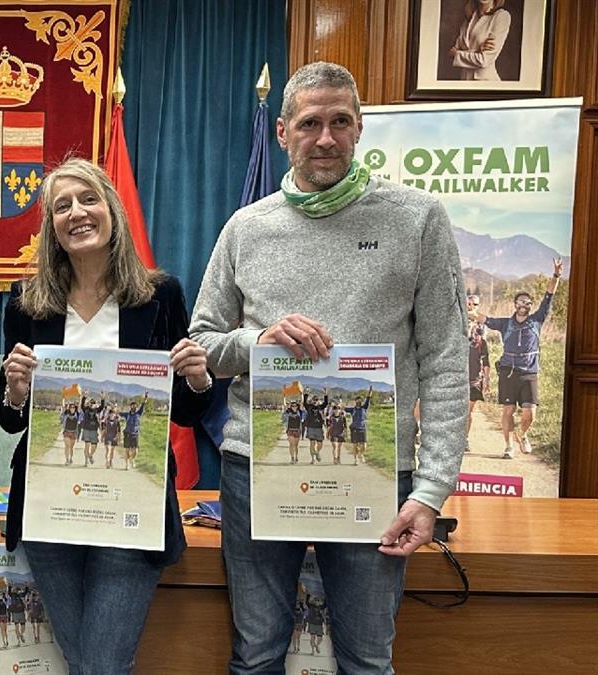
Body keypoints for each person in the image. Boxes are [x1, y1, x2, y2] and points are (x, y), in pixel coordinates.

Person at [189, 62, 467, 673]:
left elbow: (447, 360)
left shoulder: (417, 218)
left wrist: (432, 488)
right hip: (256, 469)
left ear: (360, 126)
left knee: (367, 659)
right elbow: (201, 347)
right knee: (256, 653)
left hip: (376, 473)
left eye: (340, 121)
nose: (325, 138)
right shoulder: (246, 227)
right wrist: (259, 340)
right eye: (310, 123)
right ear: (283, 131)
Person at [0, 157, 214, 673]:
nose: (77, 213)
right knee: (88, 665)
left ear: (112, 209)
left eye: (88, 199)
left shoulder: (161, 295)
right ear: (51, 226)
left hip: (130, 505)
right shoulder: (27, 304)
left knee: (101, 665)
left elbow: (185, 412)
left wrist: (198, 377)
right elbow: (11, 422)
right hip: (49, 509)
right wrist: (15, 389)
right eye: (62, 206)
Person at [472, 259, 563, 459]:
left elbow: (549, 295)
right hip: (508, 371)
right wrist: (468, 310)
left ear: (530, 306)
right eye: (520, 301)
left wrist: (556, 275)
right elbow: (484, 318)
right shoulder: (505, 323)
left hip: (530, 373)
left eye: (527, 302)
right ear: (515, 304)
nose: (524, 304)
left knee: (529, 414)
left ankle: (522, 434)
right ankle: (508, 446)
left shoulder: (537, 320)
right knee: (507, 411)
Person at [449, 0, 512, 81]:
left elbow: (484, 60)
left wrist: (457, 55)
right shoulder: (469, 18)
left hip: (486, 83)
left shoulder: (501, 16)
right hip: (464, 81)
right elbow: (451, 53)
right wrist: (477, 51)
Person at [465, 296, 491, 452]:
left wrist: (487, 378)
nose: (470, 306)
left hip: (474, 375)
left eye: (474, 304)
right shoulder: (456, 320)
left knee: (468, 410)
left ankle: (465, 439)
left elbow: (485, 354)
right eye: (468, 303)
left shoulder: (481, 328)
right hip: (456, 374)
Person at [120, 392, 149, 470]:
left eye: (134, 405)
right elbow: (119, 413)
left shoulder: (138, 414)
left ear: (136, 406)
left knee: (135, 451)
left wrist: (145, 398)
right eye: (132, 405)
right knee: (127, 450)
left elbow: (143, 406)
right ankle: (127, 465)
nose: (133, 407)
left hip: (135, 434)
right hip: (127, 434)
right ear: (130, 407)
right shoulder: (127, 415)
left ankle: (132, 460)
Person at [346, 385, 374, 466]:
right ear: (355, 401)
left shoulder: (364, 407)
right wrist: (340, 405)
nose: (358, 402)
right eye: (357, 400)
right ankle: (356, 459)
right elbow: (343, 408)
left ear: (361, 401)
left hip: (362, 428)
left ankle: (361, 454)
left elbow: (368, 399)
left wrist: (370, 392)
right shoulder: (352, 410)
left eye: (359, 400)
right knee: (355, 445)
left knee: (364, 446)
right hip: (354, 429)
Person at [78, 392, 106, 466]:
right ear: (89, 403)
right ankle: (86, 460)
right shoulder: (86, 409)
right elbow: (82, 405)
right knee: (87, 445)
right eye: (91, 403)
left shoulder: (97, 410)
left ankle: (90, 455)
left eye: (93, 403)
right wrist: (84, 397)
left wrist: (102, 398)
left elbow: (102, 406)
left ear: (95, 404)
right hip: (86, 429)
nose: (92, 404)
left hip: (94, 430)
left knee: (94, 446)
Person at [302, 389, 329, 463]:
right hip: (311, 427)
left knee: (320, 444)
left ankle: (317, 452)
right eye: (314, 400)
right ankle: (313, 459)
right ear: (312, 400)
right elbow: (304, 403)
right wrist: (306, 394)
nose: (315, 401)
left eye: (316, 400)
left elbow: (326, 403)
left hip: (319, 428)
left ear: (318, 401)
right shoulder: (309, 407)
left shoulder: (320, 407)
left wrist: (325, 394)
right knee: (312, 443)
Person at [282, 399, 305, 464]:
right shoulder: (288, 413)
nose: (294, 407)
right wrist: (286, 406)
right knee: (291, 444)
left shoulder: (300, 412)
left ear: (297, 406)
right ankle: (292, 458)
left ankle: (296, 457)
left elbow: (304, 411)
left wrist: (302, 396)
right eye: (292, 406)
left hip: (297, 430)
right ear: (291, 407)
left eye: (295, 406)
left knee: (296, 445)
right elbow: (283, 417)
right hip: (290, 430)